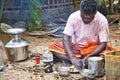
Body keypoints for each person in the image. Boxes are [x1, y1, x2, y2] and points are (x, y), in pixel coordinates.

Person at [48, 0, 115, 70]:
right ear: (80, 11)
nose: (87, 19)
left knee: (108, 54)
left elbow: (103, 44)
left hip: (93, 50)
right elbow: (66, 37)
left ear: (95, 12)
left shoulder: (102, 20)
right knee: (53, 46)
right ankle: (78, 61)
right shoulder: (73, 17)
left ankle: (80, 60)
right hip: (76, 48)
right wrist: (72, 57)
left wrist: (90, 55)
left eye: (90, 17)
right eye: (84, 17)